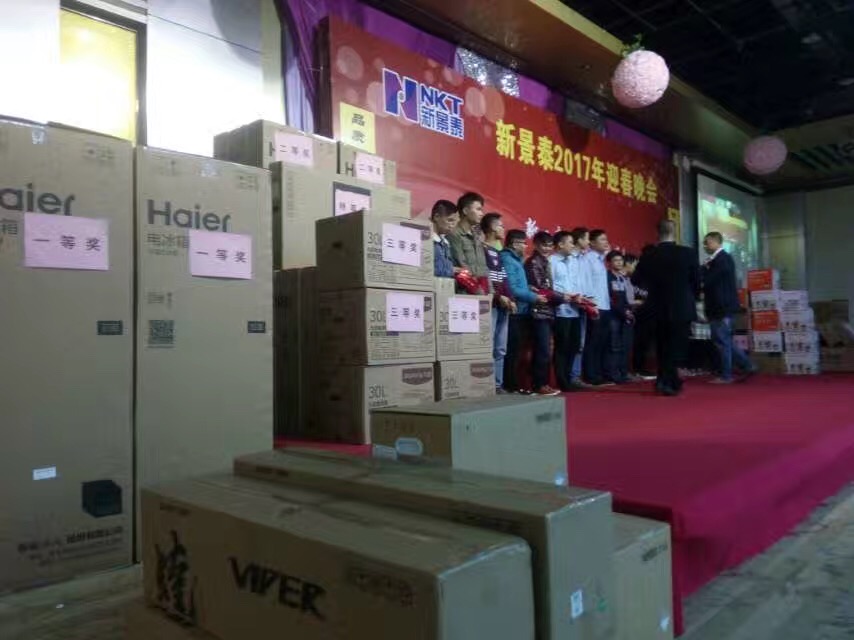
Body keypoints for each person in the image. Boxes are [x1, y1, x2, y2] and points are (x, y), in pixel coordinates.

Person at [632, 220, 700, 396]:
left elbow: (635, 280)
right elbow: (696, 281)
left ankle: (664, 380)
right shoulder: (688, 253)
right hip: (682, 306)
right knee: (678, 345)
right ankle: (670, 381)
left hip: (656, 306)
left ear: (657, 233)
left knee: (662, 344)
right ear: (674, 232)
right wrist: (691, 297)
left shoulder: (649, 255)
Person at [702, 231, 756, 383]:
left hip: (721, 307)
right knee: (723, 340)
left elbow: (710, 280)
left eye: (707, 242)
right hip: (717, 307)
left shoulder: (722, 259)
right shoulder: (717, 260)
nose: (705, 246)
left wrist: (704, 271)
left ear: (716, 242)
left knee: (723, 341)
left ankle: (727, 375)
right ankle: (747, 365)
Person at [500, 229, 546, 394]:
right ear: (514, 244)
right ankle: (509, 385)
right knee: (511, 351)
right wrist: (534, 297)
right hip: (514, 311)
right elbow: (512, 289)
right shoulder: (507, 260)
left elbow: (518, 285)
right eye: (524, 243)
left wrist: (528, 288)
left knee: (517, 350)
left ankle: (513, 384)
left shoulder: (516, 260)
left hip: (521, 310)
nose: (526, 246)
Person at [524, 231, 563, 396]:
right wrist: (563, 297)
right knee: (542, 350)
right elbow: (541, 288)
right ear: (536, 245)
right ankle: (539, 384)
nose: (547, 249)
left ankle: (542, 383)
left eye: (549, 245)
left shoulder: (545, 262)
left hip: (547, 310)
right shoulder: (533, 262)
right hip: (538, 310)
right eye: (544, 245)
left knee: (544, 349)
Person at [481, 213, 515, 393]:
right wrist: (497, 296)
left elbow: (503, 278)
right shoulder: (481, 249)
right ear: (493, 228)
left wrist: (510, 299)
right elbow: (485, 277)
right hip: (491, 305)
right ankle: (485, 384)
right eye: (501, 226)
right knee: (488, 345)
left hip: (504, 305)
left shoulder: (498, 253)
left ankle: (497, 384)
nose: (503, 229)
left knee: (500, 348)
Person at [551, 231, 585, 391]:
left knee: (574, 345)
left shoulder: (573, 261)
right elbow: (550, 286)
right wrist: (565, 296)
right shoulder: (551, 261)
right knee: (562, 346)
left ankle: (569, 377)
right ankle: (562, 380)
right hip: (560, 309)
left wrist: (580, 296)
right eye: (570, 242)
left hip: (575, 309)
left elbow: (577, 282)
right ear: (560, 244)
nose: (573, 245)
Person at [582, 229, 612, 386]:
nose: (606, 242)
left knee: (602, 341)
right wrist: (591, 304)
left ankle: (599, 374)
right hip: (595, 306)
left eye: (606, 239)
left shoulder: (601, 260)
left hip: (605, 305)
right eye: (602, 239)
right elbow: (586, 282)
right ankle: (591, 375)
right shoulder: (588, 259)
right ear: (592, 243)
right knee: (593, 342)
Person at [448, 192, 489, 290]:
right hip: (465, 291)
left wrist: (490, 291)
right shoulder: (455, 234)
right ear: (465, 211)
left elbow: (484, 267)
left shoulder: (477, 237)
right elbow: (462, 266)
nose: (481, 213)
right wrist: (479, 291)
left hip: (482, 291)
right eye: (478, 209)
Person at [569, 227, 593, 387]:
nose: (589, 242)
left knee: (581, 342)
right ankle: (570, 377)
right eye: (587, 238)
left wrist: (590, 299)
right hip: (571, 303)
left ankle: (576, 376)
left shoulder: (585, 258)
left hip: (585, 303)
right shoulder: (569, 258)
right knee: (573, 342)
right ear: (579, 240)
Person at [606, 250, 633, 384]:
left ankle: (623, 372)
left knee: (624, 346)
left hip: (624, 315)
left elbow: (626, 297)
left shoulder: (623, 277)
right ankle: (613, 374)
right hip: (613, 315)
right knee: (614, 346)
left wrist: (628, 310)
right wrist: (622, 311)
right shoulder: (607, 277)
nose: (619, 263)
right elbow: (610, 298)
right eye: (616, 260)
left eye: (621, 260)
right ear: (609, 263)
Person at [430, 200, 459, 278]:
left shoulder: (445, 242)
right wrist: (452, 270)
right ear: (436, 217)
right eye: (450, 220)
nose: (452, 225)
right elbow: (425, 270)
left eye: (454, 222)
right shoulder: (426, 241)